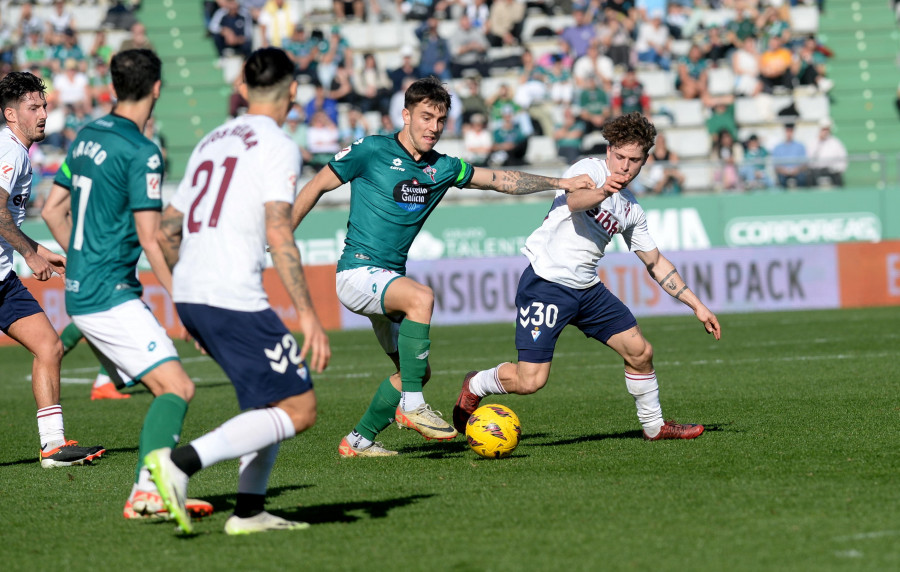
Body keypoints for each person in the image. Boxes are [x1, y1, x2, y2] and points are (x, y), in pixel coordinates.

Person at [290, 76, 594, 457]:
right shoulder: (371, 150)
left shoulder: (443, 168)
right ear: (406, 115)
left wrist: (561, 181)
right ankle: (413, 408)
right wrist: (284, 232)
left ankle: (358, 441)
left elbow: (499, 179)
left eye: (440, 120)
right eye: (425, 117)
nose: (433, 127)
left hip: (388, 280)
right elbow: (316, 184)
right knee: (422, 298)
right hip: (357, 272)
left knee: (414, 373)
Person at [146, 47, 331, 536]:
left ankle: (249, 511)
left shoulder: (211, 139)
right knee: (300, 408)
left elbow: (167, 231)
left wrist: (189, 296)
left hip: (192, 290)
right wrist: (308, 314)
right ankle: (180, 463)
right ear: (293, 91)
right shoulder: (278, 143)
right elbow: (279, 230)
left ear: (243, 89)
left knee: (266, 404)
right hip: (230, 293)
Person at [452, 112, 721, 441]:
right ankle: (475, 384)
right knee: (530, 382)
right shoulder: (589, 171)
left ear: (644, 161)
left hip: (588, 290)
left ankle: (654, 427)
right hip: (546, 284)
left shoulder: (631, 209)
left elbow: (656, 263)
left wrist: (698, 306)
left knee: (640, 352)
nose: (623, 166)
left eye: (633, 160)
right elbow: (575, 201)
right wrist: (603, 191)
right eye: (619, 156)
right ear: (609, 151)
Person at [40, 49, 211, 520]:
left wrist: (80, 258)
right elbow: (152, 240)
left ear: (114, 86)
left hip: (84, 291)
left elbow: (53, 209)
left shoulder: (86, 135)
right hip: (108, 294)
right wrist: (187, 307)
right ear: (156, 88)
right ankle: (146, 492)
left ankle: (147, 490)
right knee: (177, 387)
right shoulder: (142, 152)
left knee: (168, 385)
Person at [0, 71, 105, 468]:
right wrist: (31, 255)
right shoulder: (8, 150)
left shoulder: (17, 150)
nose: (44, 113)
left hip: (2, 280)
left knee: (49, 346)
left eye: (43, 105)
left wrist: (45, 251)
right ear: (12, 115)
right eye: (33, 107)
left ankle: (53, 446)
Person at [807, 118, 847, 187]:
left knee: (838, 179)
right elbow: (809, 159)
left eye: (826, 129)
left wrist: (837, 169)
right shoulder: (813, 142)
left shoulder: (836, 143)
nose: (825, 131)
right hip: (817, 171)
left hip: (831, 171)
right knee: (809, 178)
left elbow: (843, 159)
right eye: (823, 129)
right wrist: (819, 142)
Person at [771, 122, 808, 188]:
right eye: (787, 130)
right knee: (781, 179)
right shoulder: (777, 147)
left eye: (791, 131)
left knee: (802, 178)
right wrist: (785, 171)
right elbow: (776, 166)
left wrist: (796, 170)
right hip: (783, 174)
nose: (789, 133)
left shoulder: (800, 146)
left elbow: (804, 164)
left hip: (798, 173)